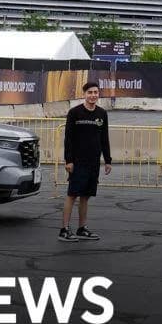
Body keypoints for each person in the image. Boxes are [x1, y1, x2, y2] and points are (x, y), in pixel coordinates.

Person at [60, 80, 112, 242]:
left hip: (93, 162)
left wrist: (108, 160)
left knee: (86, 196)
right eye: (90, 92)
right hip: (77, 161)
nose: (93, 95)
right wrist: (69, 160)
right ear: (84, 94)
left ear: (99, 94)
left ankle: (82, 228)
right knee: (72, 194)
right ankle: (64, 229)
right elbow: (68, 139)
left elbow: (104, 138)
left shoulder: (102, 114)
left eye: (95, 92)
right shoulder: (74, 113)